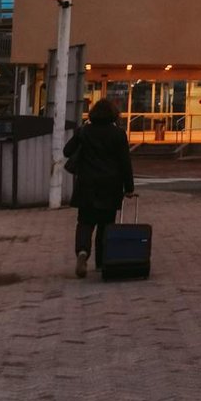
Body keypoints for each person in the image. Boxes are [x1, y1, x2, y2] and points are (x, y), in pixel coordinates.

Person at [63, 98, 134, 278]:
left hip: (86, 184)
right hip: (111, 185)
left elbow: (67, 151)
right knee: (106, 225)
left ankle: (82, 252)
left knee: (85, 222)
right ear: (113, 114)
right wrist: (129, 187)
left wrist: (81, 136)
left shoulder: (84, 131)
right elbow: (125, 163)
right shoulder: (118, 134)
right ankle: (102, 263)